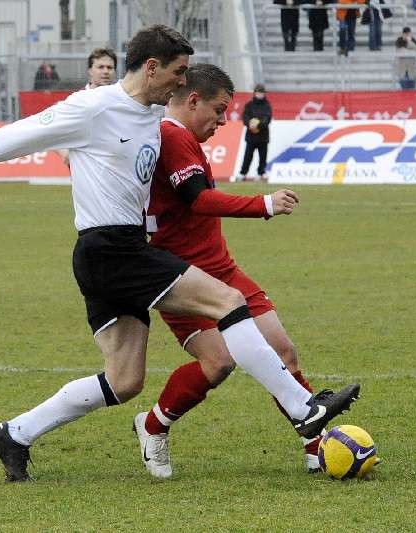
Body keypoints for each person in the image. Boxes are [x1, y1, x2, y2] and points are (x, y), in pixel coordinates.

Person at [0, 25, 360, 483]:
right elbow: (18, 135)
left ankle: (15, 434)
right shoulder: (94, 107)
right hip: (111, 250)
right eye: (178, 72)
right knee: (229, 302)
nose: (182, 83)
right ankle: (303, 408)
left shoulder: (151, 118)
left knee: (124, 381)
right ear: (152, 67)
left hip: (116, 252)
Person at [134, 64, 336, 478]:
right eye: (219, 109)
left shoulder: (183, 137)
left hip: (222, 269)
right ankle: (153, 425)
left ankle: (318, 446)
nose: (224, 120)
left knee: (283, 350)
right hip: (184, 279)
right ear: (193, 100)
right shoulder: (171, 135)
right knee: (219, 363)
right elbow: (199, 200)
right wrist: (263, 204)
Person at [236, 83, 272, 182]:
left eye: (262, 93)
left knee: (262, 157)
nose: (260, 94)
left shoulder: (267, 105)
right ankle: (243, 173)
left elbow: (267, 118)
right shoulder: (249, 105)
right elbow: (245, 117)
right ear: (255, 93)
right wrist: (249, 124)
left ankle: (260, 173)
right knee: (247, 156)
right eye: (258, 92)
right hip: (251, 136)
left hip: (263, 136)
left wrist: (258, 125)